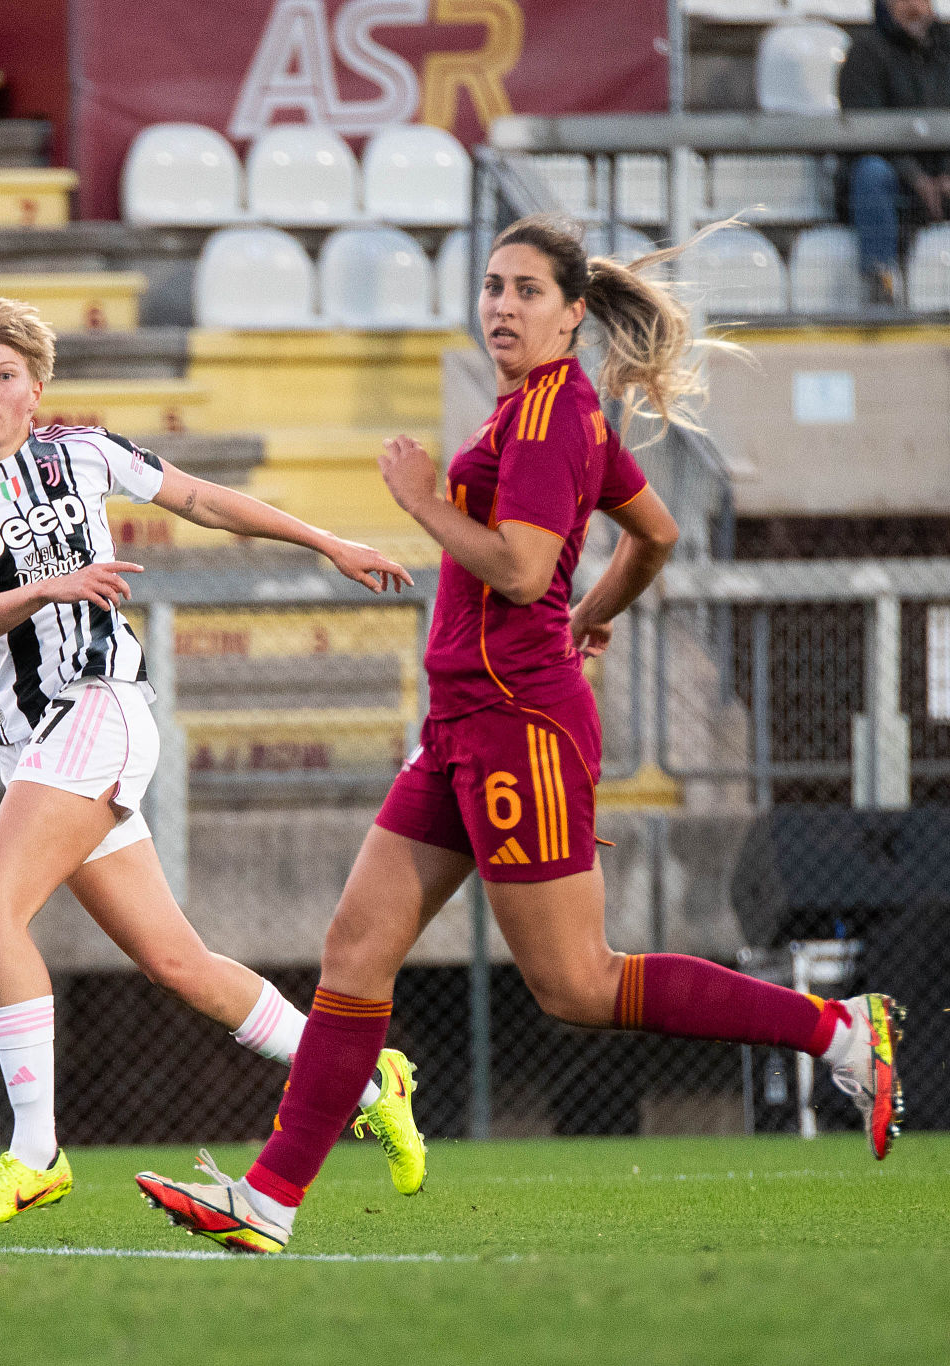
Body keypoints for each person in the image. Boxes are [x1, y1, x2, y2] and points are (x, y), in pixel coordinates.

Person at [135, 215, 906, 1256]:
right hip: (462, 719)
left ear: (571, 311)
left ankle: (836, 1030)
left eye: (525, 290)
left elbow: (516, 569)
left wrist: (420, 504)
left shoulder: (549, 417)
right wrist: (596, 612)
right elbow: (654, 535)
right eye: (491, 286)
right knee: (354, 949)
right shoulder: (542, 412)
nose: (500, 304)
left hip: (519, 725)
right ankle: (268, 1199)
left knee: (576, 984)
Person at [0, 297, 426, 1227]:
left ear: (36, 390)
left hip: (100, 706)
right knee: (179, 963)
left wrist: (327, 541)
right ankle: (361, 1083)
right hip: (37, 739)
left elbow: (202, 500)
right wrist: (49, 587)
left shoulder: (84, 452)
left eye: (1, 375)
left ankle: (36, 1156)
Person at [839, 0, 950, 303]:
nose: (915, 5)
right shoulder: (865, 52)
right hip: (893, 181)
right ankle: (881, 280)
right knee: (871, 172)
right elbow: (865, 131)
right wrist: (915, 176)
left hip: (943, 177)